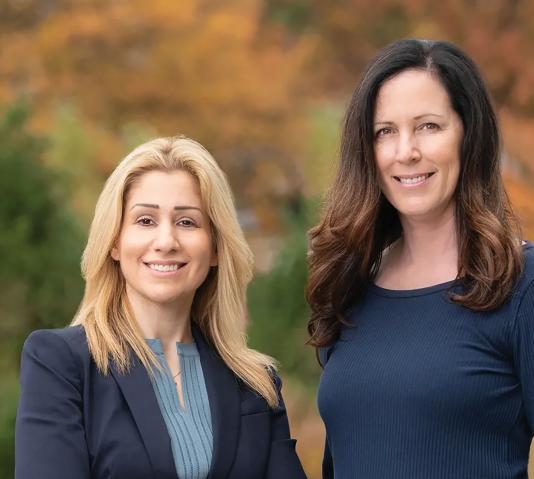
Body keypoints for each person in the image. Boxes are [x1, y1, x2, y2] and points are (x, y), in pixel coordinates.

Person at [306, 38, 534, 479]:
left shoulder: (520, 284)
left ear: (469, 135)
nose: (406, 151)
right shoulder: (349, 287)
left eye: (428, 126)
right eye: (385, 131)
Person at [16, 136, 307, 479]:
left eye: (187, 222)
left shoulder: (255, 383)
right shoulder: (61, 364)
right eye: (145, 221)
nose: (166, 242)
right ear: (114, 242)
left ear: (215, 248)